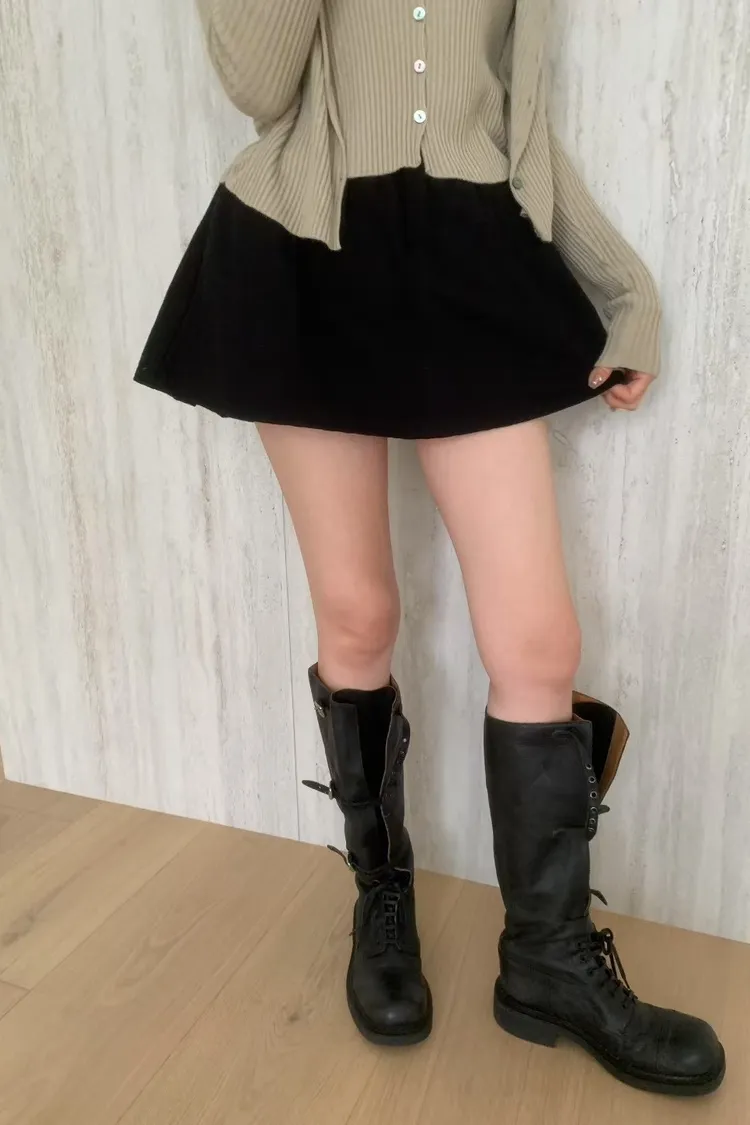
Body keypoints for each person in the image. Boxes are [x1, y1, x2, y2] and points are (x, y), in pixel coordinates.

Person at [134, 0, 725, 1097]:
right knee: (360, 614)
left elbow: (515, 129)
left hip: (470, 255)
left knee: (538, 640)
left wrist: (627, 288)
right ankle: (384, 902)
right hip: (306, 253)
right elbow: (260, 86)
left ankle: (548, 960)